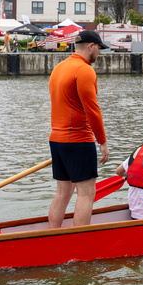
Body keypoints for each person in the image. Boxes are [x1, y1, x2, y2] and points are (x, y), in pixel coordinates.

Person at [47, 30, 110, 229]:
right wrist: (102, 142)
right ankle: (80, 240)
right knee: (86, 193)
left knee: (62, 192)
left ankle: (51, 236)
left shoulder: (59, 67)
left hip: (57, 138)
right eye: (99, 48)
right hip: (78, 139)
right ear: (91, 46)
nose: (99, 52)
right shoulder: (84, 70)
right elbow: (92, 109)